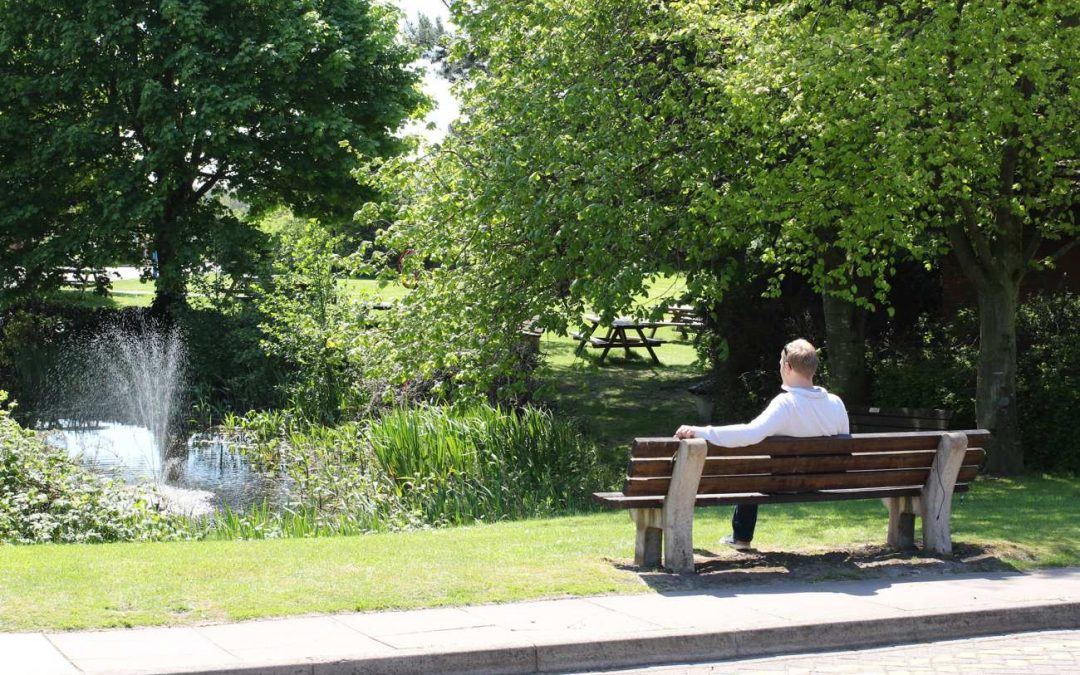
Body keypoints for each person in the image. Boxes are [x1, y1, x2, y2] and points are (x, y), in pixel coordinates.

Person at [675, 338, 848, 551]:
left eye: (780, 363)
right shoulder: (836, 403)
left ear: (787, 366)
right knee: (757, 471)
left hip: (784, 486)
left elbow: (750, 434)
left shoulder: (786, 403)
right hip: (827, 482)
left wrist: (700, 431)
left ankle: (741, 537)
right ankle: (740, 537)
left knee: (752, 474)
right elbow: (843, 448)